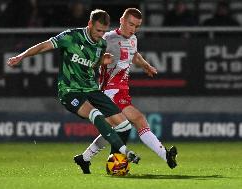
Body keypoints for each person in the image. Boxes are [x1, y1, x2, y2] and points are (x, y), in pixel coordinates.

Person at [7, 9, 140, 169]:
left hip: (91, 89)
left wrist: (101, 62)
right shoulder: (71, 37)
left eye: (104, 31)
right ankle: (122, 155)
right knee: (95, 114)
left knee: (124, 125)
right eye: (98, 30)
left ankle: (89, 160)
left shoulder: (101, 44)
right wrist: (21, 56)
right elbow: (44, 46)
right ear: (90, 24)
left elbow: (92, 63)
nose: (101, 34)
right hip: (70, 91)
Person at [74, 8, 178, 174]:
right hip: (109, 91)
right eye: (131, 24)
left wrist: (145, 65)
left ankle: (84, 158)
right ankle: (165, 155)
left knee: (113, 130)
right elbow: (91, 57)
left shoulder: (133, 39)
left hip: (122, 90)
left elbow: (134, 54)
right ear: (122, 20)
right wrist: (101, 61)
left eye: (137, 26)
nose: (133, 29)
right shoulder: (108, 39)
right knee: (138, 119)